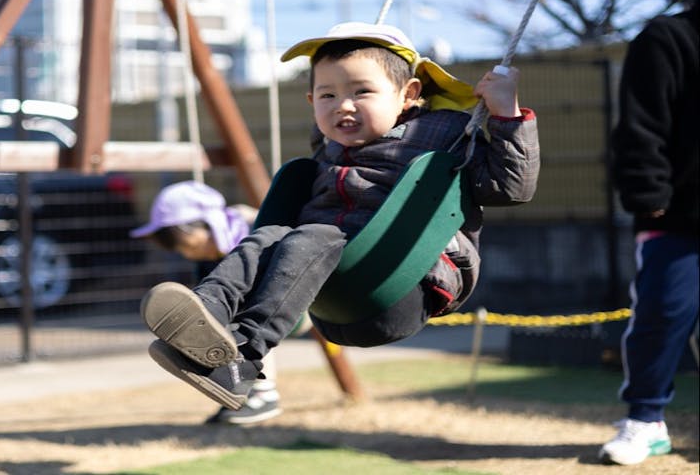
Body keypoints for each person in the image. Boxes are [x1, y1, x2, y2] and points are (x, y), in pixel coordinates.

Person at [139, 21, 540, 411]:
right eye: (327, 95)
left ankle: (245, 355)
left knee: (311, 236)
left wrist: (506, 113)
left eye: (362, 91)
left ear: (409, 94)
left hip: (401, 286)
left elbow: (510, 188)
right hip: (334, 294)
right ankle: (207, 315)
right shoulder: (329, 147)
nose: (343, 106)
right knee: (268, 235)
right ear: (312, 102)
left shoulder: (445, 133)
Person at [600, 0, 699, 466]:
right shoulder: (667, 38)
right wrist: (648, 197)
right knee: (663, 313)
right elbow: (640, 126)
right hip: (679, 214)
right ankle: (645, 419)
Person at [131, 180, 303, 424]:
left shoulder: (253, 232)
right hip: (261, 316)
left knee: (246, 319)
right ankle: (241, 392)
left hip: (292, 305)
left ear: (208, 225)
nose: (187, 254)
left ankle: (264, 394)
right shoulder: (208, 261)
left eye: (186, 245)